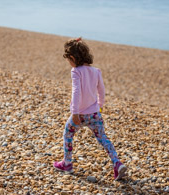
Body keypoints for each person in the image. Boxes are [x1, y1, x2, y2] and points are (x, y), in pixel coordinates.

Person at [53, 37, 127, 180]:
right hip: (94, 113)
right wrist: (99, 105)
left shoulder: (76, 71)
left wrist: (74, 112)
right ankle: (117, 163)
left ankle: (67, 163)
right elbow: (102, 90)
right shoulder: (96, 71)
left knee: (68, 134)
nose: (69, 63)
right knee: (103, 138)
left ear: (73, 58)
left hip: (79, 115)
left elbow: (76, 91)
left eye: (69, 59)